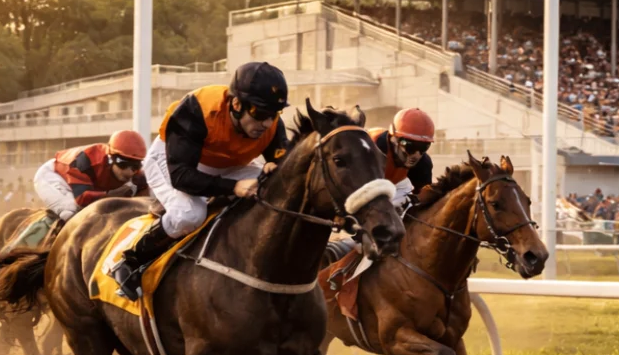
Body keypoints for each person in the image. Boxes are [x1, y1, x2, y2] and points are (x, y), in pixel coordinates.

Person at [112, 62, 291, 299]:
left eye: (274, 114)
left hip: (223, 166)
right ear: (236, 104)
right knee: (189, 214)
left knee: (273, 186)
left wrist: (276, 166)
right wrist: (233, 187)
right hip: (172, 163)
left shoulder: (271, 125)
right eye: (260, 114)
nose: (267, 124)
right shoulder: (196, 109)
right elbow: (182, 176)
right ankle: (131, 260)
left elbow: (282, 163)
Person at [324, 107, 437, 264]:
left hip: (393, 187)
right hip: (359, 182)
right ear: (393, 138)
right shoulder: (374, 145)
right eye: (410, 145)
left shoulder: (423, 164)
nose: (416, 154)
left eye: (423, 148)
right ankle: (343, 246)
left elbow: (424, 200)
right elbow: (345, 180)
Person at [24, 130, 148, 247]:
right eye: (123, 164)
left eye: (135, 166)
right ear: (111, 158)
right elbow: (81, 199)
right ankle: (33, 246)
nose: (129, 171)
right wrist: (112, 194)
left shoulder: (138, 177)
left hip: (87, 185)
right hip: (55, 176)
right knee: (70, 211)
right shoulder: (85, 162)